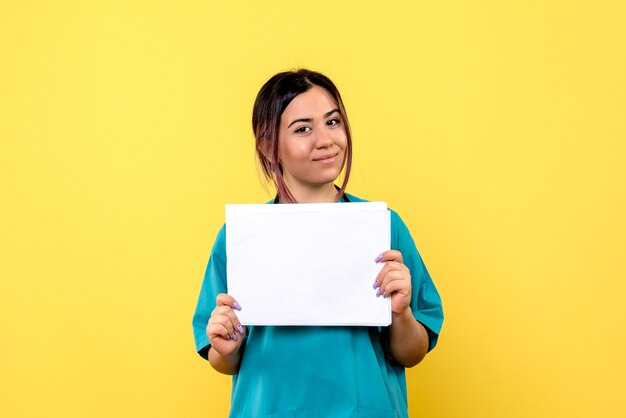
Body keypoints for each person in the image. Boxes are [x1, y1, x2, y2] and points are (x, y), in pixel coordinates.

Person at [192, 69, 444, 418]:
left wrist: (400, 313)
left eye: (333, 121)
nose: (325, 139)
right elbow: (224, 360)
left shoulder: (384, 227)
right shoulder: (240, 237)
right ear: (268, 145)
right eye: (303, 129)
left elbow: (412, 353)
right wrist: (226, 347)